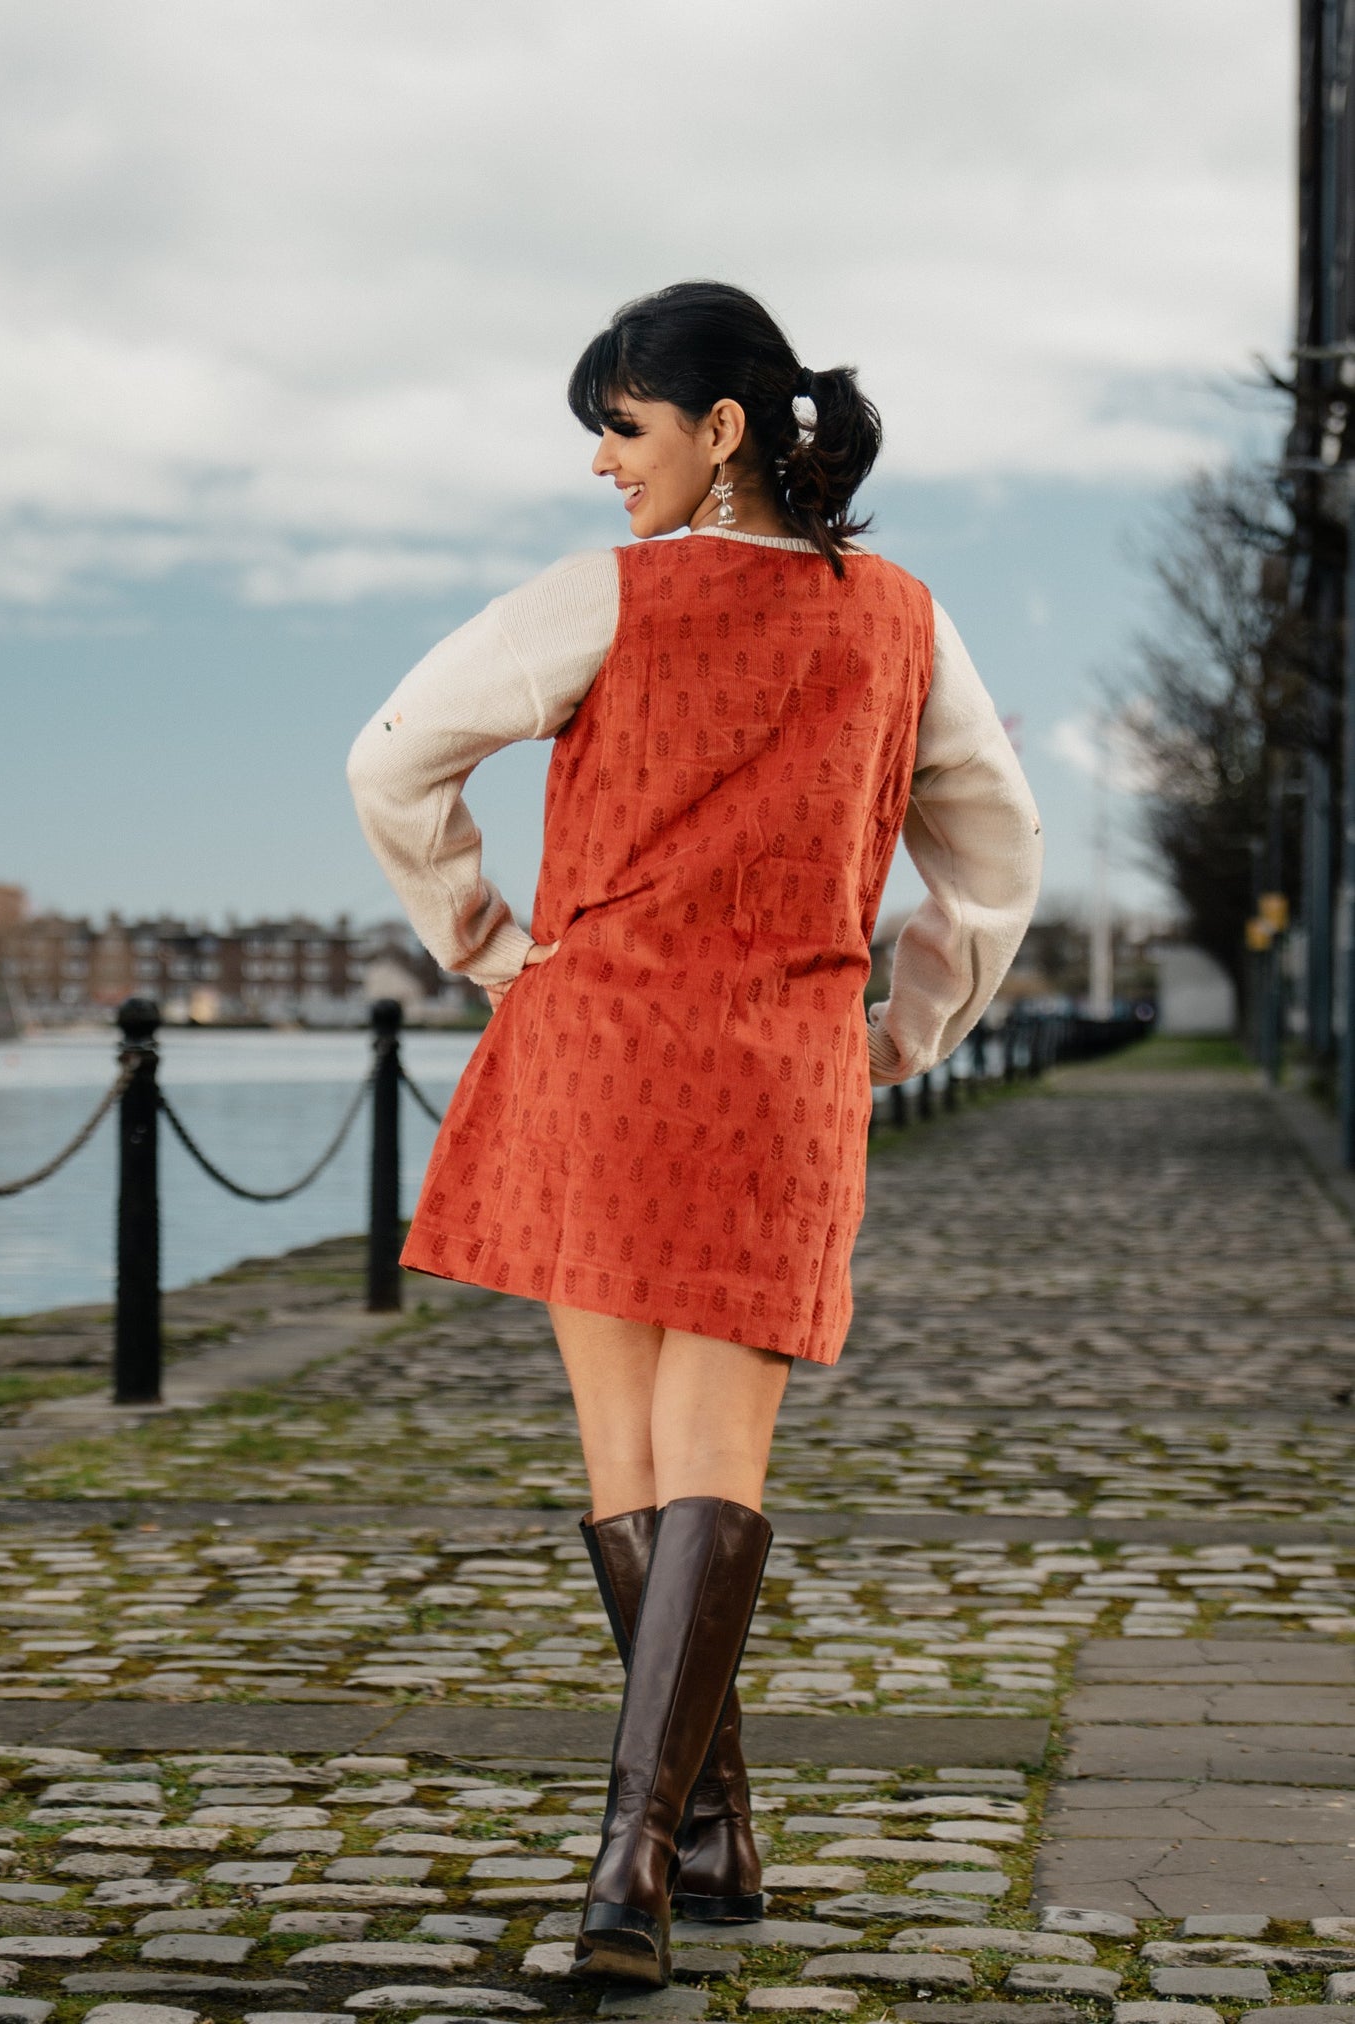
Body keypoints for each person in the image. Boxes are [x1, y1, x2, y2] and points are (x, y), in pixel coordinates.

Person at [347, 280, 1043, 1986]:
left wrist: (490, 947)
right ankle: (682, 1838)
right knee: (710, 1458)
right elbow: (995, 851)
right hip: (772, 1067)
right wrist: (915, 1025)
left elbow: (389, 766)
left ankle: (634, 1866)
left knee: (627, 1464)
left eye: (623, 424)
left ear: (719, 429)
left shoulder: (591, 603)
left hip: (592, 1047)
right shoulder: (902, 622)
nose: (601, 463)